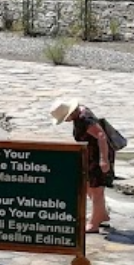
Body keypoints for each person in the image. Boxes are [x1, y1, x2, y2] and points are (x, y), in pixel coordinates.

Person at [50, 99, 115, 233]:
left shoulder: (85, 119)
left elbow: (101, 136)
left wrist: (103, 160)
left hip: (97, 157)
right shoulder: (79, 116)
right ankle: (101, 214)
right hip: (89, 156)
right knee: (88, 186)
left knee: (96, 189)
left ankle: (94, 223)